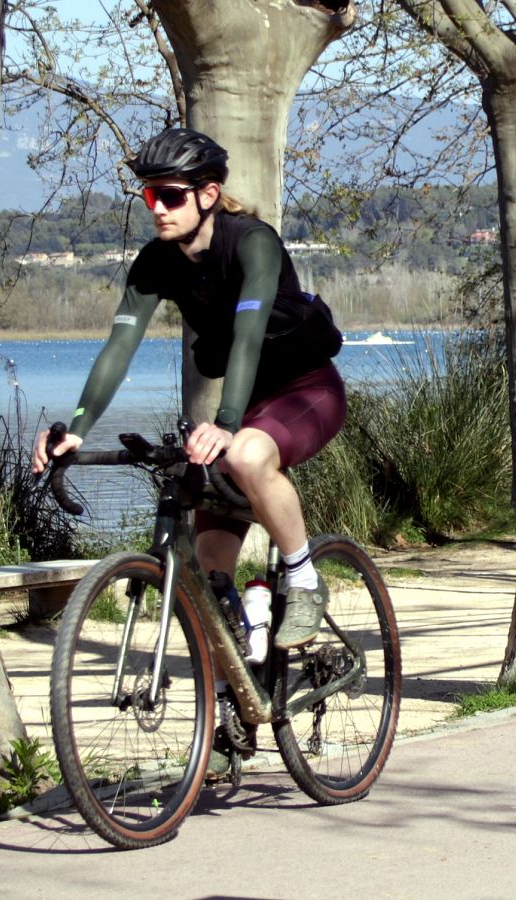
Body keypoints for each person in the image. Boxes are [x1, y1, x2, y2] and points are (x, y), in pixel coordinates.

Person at [32, 127, 347, 651]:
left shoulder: (251, 241)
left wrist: (225, 426)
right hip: (247, 407)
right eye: (149, 196)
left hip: (306, 392)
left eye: (170, 195)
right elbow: (118, 347)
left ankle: (305, 579)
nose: (157, 208)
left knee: (245, 456)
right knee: (208, 569)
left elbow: (247, 338)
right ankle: (232, 697)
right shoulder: (157, 261)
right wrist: (78, 430)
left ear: (208, 195)